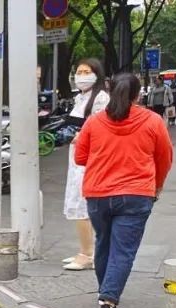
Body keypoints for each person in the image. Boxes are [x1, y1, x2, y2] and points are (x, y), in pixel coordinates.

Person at [74, 72, 173, 308]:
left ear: (110, 89)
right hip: (136, 194)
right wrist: (157, 187)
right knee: (123, 250)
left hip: (98, 194)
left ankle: (105, 291)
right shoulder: (153, 121)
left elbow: (80, 158)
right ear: (138, 95)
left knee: (104, 243)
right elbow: (164, 158)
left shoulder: (94, 122)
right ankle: (108, 300)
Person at [61, 59, 110, 272]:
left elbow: (100, 128)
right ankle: (85, 249)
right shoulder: (80, 98)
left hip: (89, 159)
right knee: (78, 203)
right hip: (77, 156)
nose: (81, 75)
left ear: (97, 74)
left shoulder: (101, 98)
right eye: (79, 72)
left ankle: (87, 254)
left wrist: (80, 136)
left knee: (81, 205)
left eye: (86, 71)